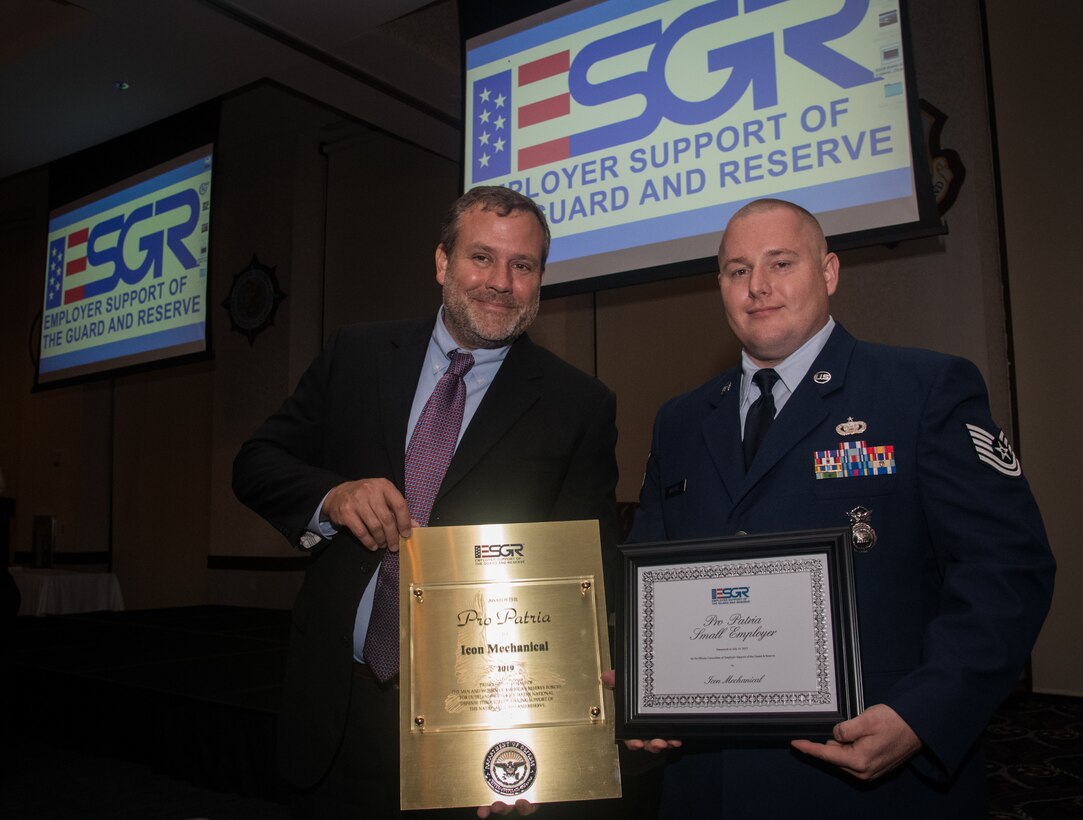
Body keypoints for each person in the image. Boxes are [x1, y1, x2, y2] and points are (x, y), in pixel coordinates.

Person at [624, 198, 1055, 817]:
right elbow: (648, 569)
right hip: (708, 780)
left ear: (828, 273)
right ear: (720, 284)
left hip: (867, 774)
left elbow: (1008, 571)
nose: (759, 287)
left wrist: (922, 715)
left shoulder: (922, 390)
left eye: (781, 263)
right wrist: (641, 686)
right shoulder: (681, 420)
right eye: (738, 270)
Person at [233, 186, 619, 819]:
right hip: (338, 703)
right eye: (481, 258)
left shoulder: (579, 405)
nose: (501, 282)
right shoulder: (355, 355)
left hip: (477, 722)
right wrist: (331, 495)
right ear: (442, 262)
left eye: (522, 266)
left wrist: (541, 738)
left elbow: (585, 573)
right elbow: (255, 464)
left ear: (540, 280)